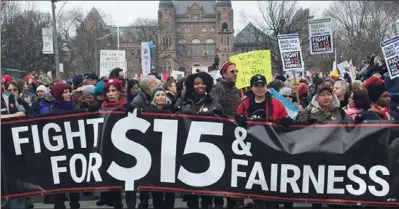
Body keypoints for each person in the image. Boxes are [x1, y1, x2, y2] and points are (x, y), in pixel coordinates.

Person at [174, 72, 223, 209]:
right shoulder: (183, 101)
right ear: (191, 86)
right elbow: (173, 118)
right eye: (196, 84)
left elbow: (223, 122)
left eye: (202, 83)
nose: (200, 86)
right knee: (191, 185)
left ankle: (207, 204)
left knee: (207, 184)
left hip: (209, 149)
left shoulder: (214, 103)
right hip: (188, 148)